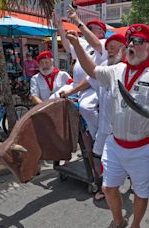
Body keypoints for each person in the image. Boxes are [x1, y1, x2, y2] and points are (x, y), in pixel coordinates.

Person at [65, 23, 149, 228]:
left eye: (138, 41)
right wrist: (77, 45)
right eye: (130, 40)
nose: (131, 44)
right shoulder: (118, 69)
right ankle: (119, 220)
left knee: (141, 193)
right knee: (108, 188)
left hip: (144, 149)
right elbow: (92, 70)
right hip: (115, 144)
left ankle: (136, 225)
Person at [60, 34, 127, 201]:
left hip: (124, 129)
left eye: (115, 47)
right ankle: (108, 187)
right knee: (104, 158)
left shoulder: (130, 70)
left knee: (125, 161)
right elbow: (89, 80)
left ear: (124, 50)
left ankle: (130, 182)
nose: (110, 51)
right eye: (109, 48)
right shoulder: (104, 66)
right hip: (105, 127)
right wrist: (71, 91)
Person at [55, 5, 107, 141]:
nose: (84, 31)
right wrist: (60, 26)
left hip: (92, 87)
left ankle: (98, 137)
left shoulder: (104, 44)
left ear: (101, 31)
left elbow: (91, 76)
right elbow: (67, 47)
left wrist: (77, 21)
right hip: (76, 85)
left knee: (86, 108)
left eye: (89, 29)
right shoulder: (84, 44)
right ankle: (59, 135)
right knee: (52, 99)